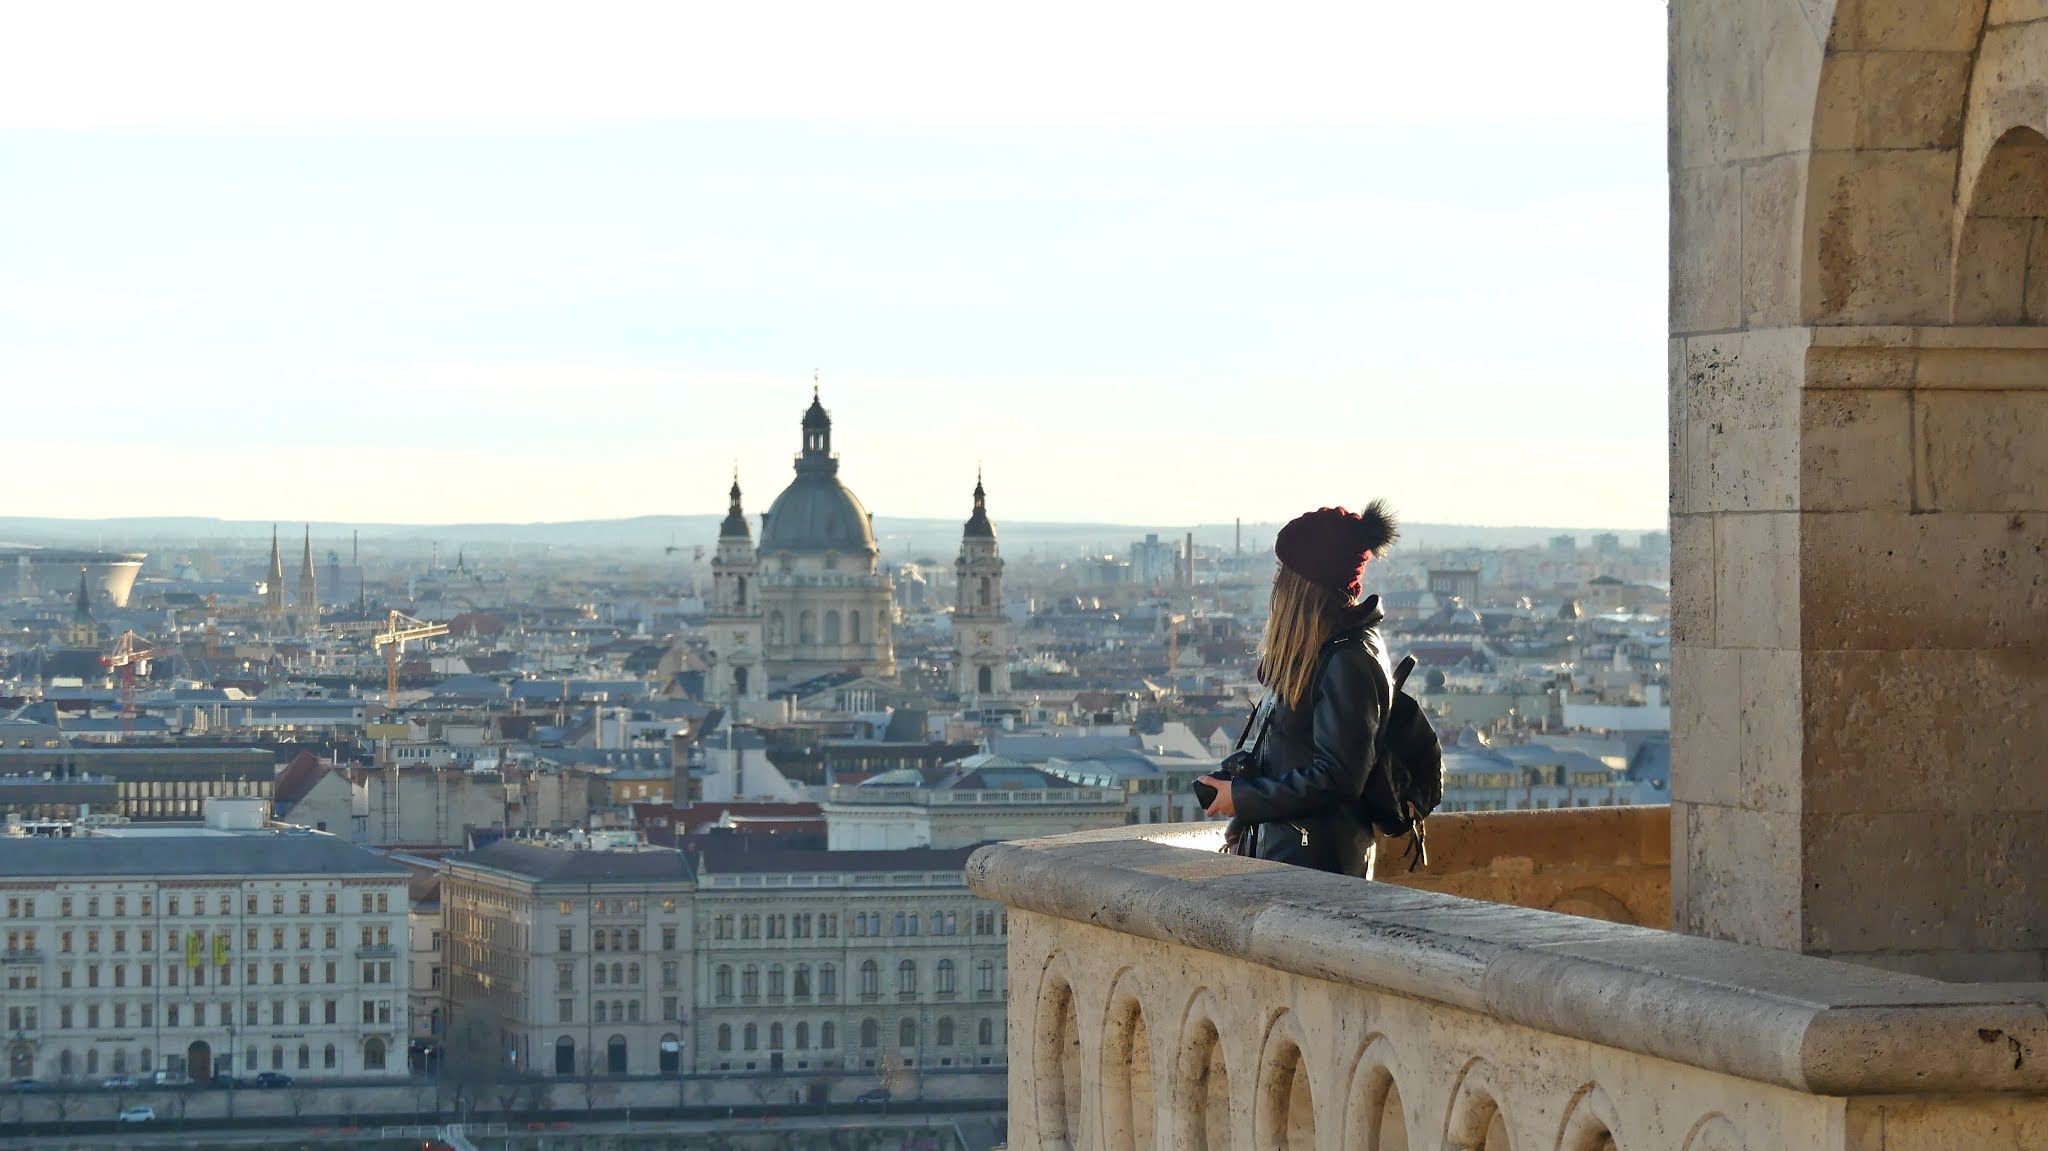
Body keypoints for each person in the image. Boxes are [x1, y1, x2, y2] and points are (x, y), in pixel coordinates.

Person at [1198, 503, 1396, 877]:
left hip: (1315, 867)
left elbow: (1338, 778)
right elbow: (1300, 757)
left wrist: (1241, 798)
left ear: (1306, 583)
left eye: (1283, 571)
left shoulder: (1347, 660)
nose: (1275, 583)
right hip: (1298, 860)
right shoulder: (1322, 654)